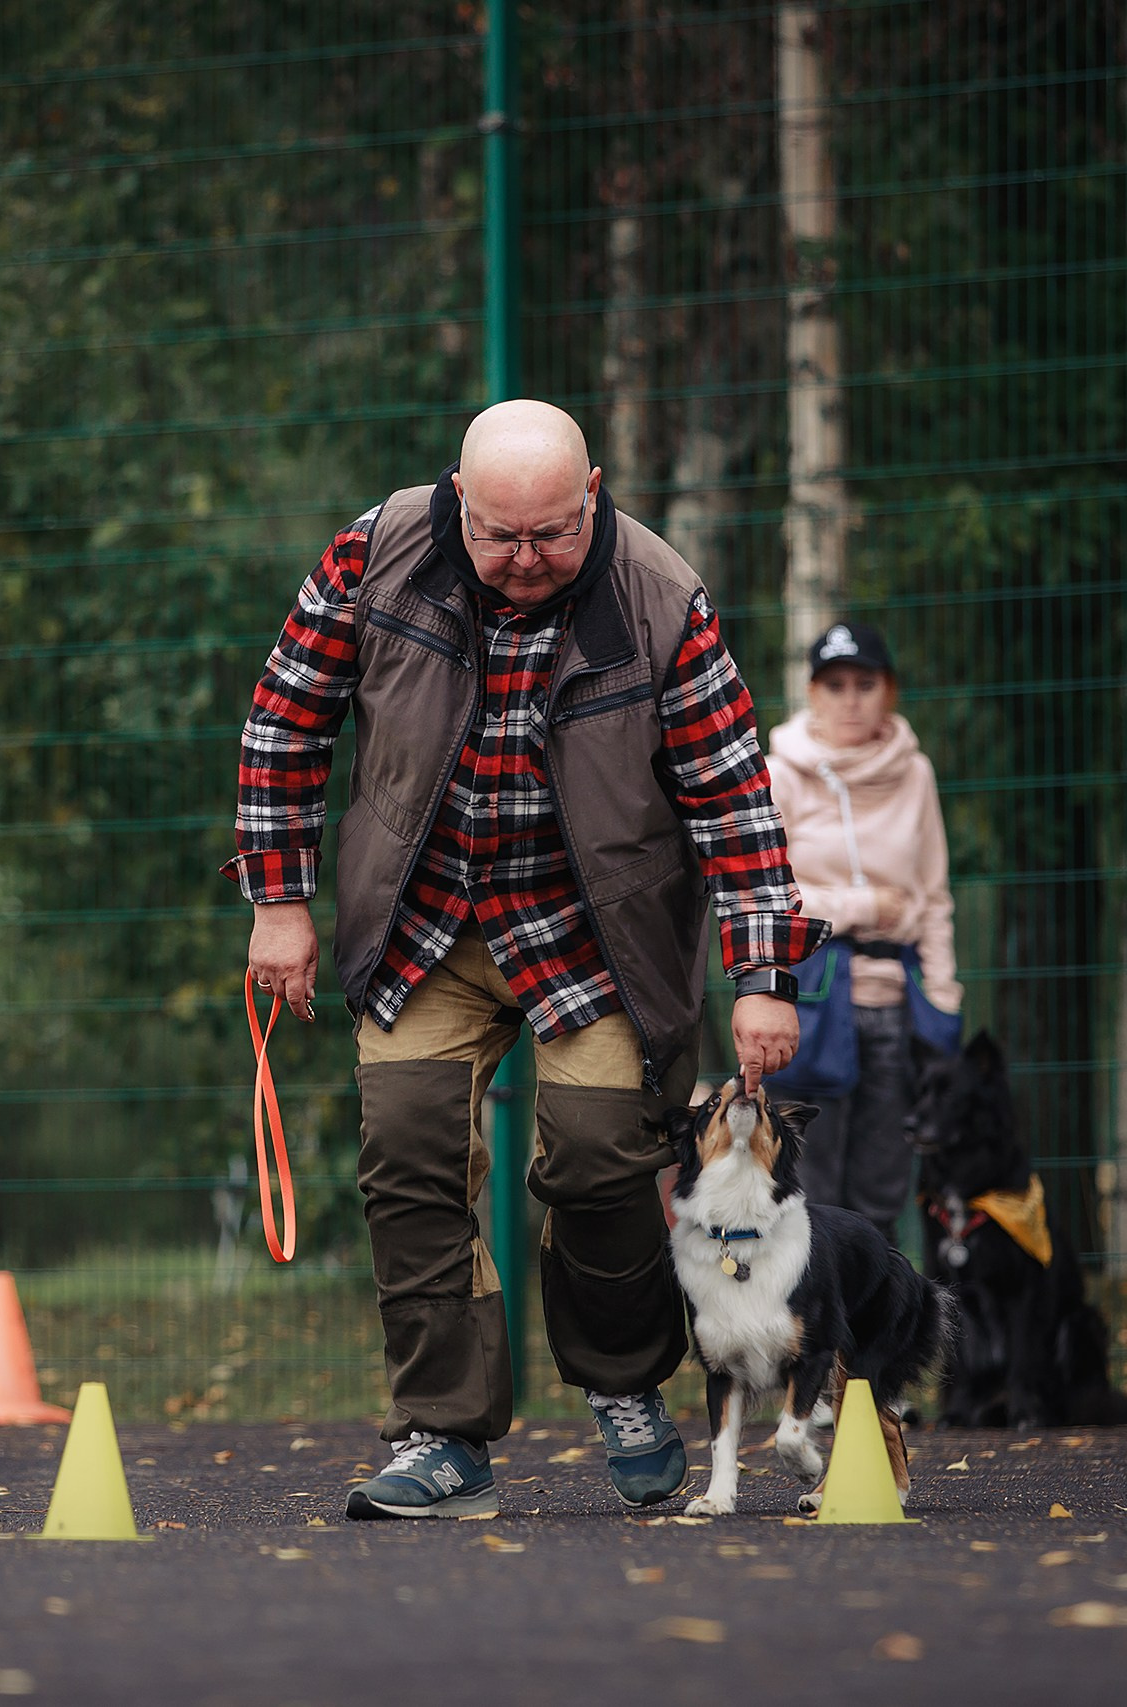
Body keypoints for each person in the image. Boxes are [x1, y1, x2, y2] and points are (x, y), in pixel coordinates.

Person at [232, 400, 823, 1518]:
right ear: (459, 499)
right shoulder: (376, 556)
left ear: (591, 491)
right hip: (424, 921)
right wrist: (278, 903)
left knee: (600, 1160)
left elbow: (735, 801)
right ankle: (442, 1437)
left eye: (549, 534)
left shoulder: (658, 598)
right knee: (405, 1158)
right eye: (499, 535)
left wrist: (761, 977)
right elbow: (283, 721)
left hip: (591, 936)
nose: (522, 561)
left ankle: (621, 1384)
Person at [765, 621, 962, 1241]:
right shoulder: (780, 772)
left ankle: (872, 1334)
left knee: (882, 1191)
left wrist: (943, 998)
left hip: (896, 1007)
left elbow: (932, 897)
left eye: (865, 684)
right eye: (835, 685)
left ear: (890, 692)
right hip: (812, 1003)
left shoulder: (916, 774)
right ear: (812, 693)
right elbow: (771, 895)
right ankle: (816, 1335)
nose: (851, 699)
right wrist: (866, 904)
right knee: (808, 1191)